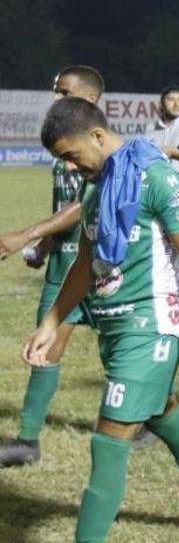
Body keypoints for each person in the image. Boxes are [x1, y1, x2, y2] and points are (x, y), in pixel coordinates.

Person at [13, 98, 179, 543]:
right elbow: (85, 260)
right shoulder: (98, 186)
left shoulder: (157, 177)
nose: (69, 167)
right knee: (162, 413)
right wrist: (51, 323)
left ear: (98, 136)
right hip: (117, 328)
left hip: (155, 327)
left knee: (108, 438)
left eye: (71, 155)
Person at [0, 66, 106, 468]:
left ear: (90, 100)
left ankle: (150, 420)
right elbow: (61, 208)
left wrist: (24, 234)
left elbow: (84, 208)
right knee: (44, 349)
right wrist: (44, 245)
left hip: (100, 269)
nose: (56, 98)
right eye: (55, 91)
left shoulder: (100, 149)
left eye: (64, 92)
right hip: (63, 267)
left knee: (122, 352)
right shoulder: (63, 147)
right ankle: (28, 441)